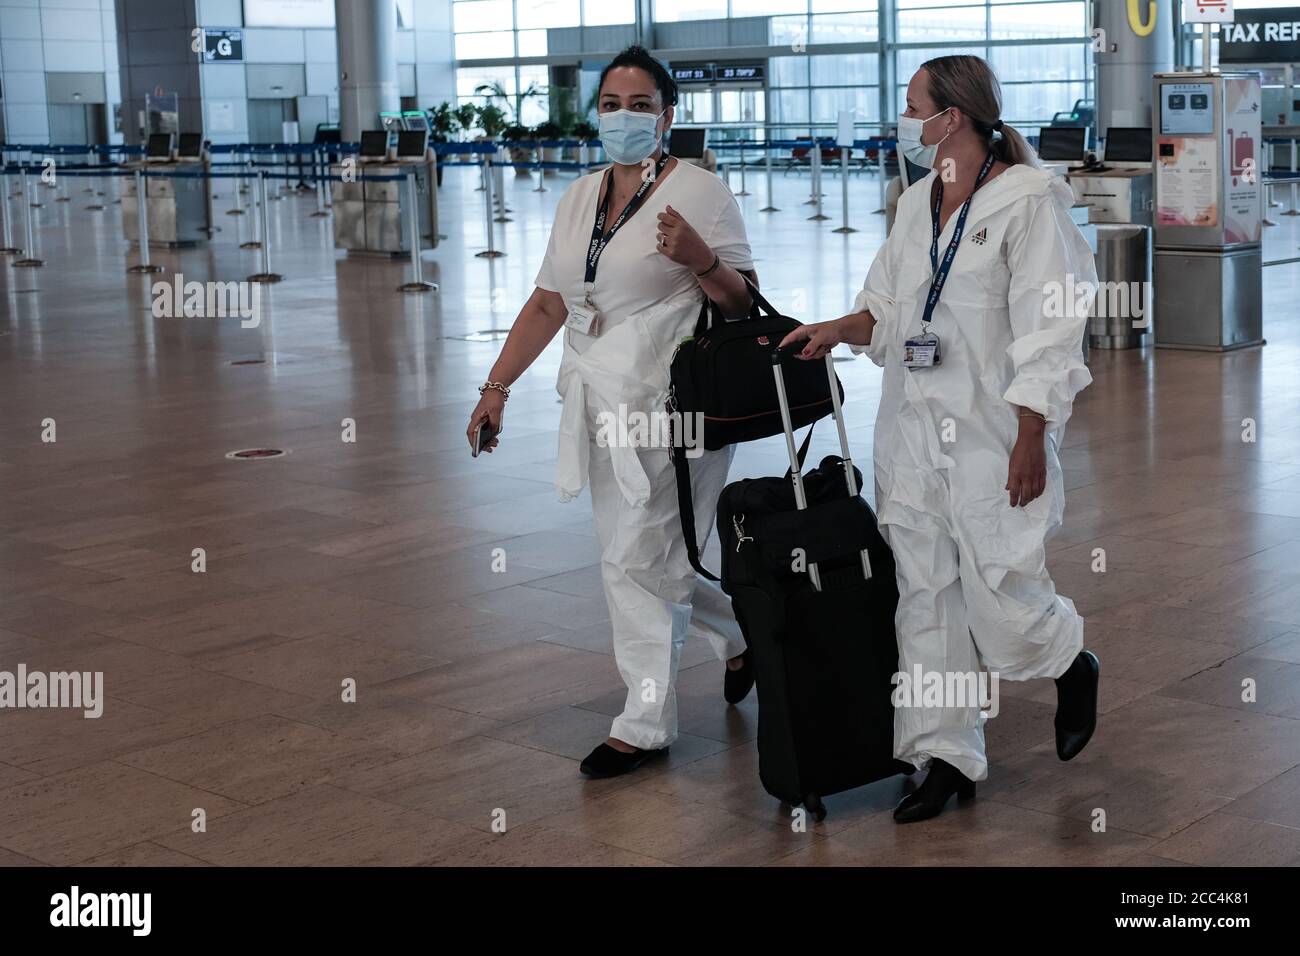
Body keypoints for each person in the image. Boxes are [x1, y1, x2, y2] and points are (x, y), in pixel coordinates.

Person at [780, 55, 1101, 823]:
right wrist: (840, 327)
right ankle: (946, 755)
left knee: (998, 587)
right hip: (912, 429)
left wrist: (1033, 434)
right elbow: (887, 307)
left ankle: (1067, 658)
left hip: (992, 433)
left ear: (951, 117)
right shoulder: (915, 202)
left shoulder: (1029, 201)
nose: (906, 118)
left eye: (913, 104)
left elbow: (1052, 331)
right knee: (924, 596)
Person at [466, 46, 759, 779]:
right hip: (598, 399)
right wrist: (495, 388)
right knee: (649, 552)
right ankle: (744, 630)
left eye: (638, 105)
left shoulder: (701, 190)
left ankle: (645, 722)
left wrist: (699, 257)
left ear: (668, 113)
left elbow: (742, 301)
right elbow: (549, 302)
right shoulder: (580, 195)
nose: (622, 118)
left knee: (635, 556)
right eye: (609, 104)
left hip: (673, 405)